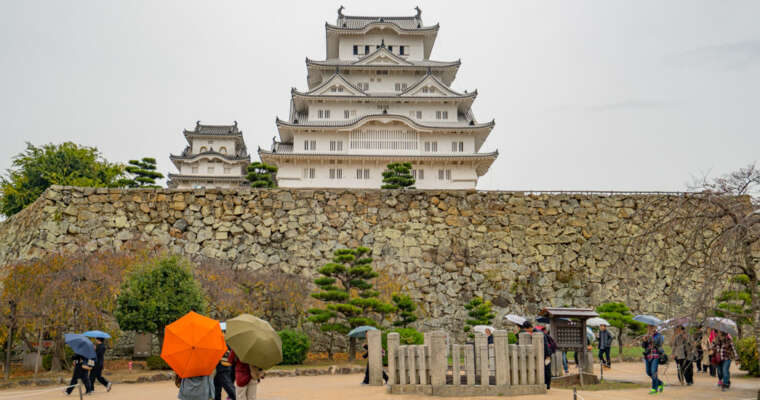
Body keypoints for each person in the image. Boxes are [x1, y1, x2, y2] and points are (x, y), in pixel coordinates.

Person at [641, 324, 665, 395]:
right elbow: (643, 346)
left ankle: (654, 389)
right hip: (648, 356)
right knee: (648, 372)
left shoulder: (659, 335)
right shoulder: (646, 335)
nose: (649, 328)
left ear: (654, 327)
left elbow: (659, 343)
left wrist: (651, 336)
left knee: (653, 371)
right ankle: (660, 383)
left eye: (651, 327)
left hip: (656, 356)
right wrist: (644, 340)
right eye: (648, 327)